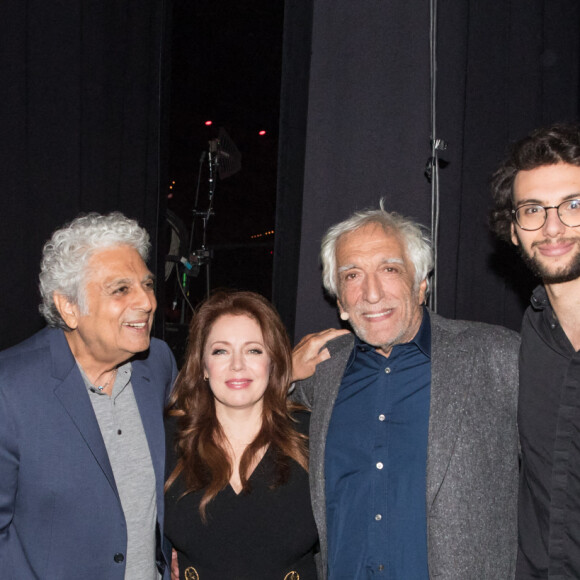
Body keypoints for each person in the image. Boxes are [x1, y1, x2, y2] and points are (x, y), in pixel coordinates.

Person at [291, 203, 520, 580]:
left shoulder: (496, 355)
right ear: (340, 303)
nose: (372, 293)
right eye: (352, 276)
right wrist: (283, 372)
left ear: (421, 285)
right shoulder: (320, 373)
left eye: (390, 270)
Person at [0, 212, 177, 580]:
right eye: (121, 289)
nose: (146, 301)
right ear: (68, 306)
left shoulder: (157, 363)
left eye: (146, 284)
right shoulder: (10, 388)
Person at [164, 290, 318, 580]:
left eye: (253, 350)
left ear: (272, 361)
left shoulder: (313, 435)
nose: (237, 365)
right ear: (203, 366)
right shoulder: (168, 439)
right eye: (221, 351)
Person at [491, 123, 580, 579]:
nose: (552, 227)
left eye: (573, 205)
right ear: (512, 231)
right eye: (531, 210)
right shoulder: (528, 340)